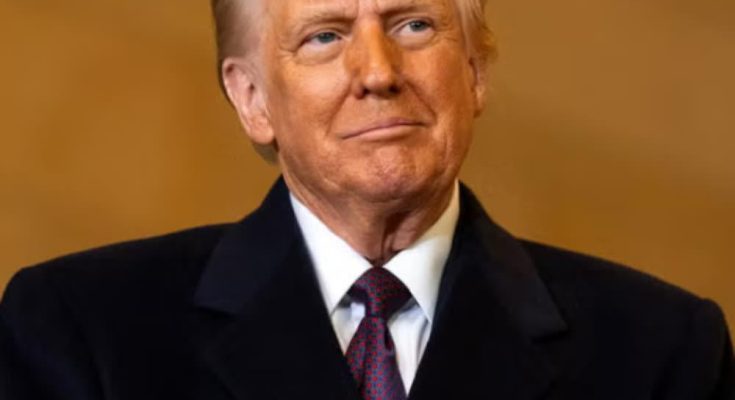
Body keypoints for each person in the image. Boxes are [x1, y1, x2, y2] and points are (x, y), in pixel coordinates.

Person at [1, 0, 733, 399]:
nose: (378, 72)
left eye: (413, 25)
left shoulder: (662, 352)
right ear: (252, 99)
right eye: (324, 37)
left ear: (475, 71)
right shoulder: (81, 331)